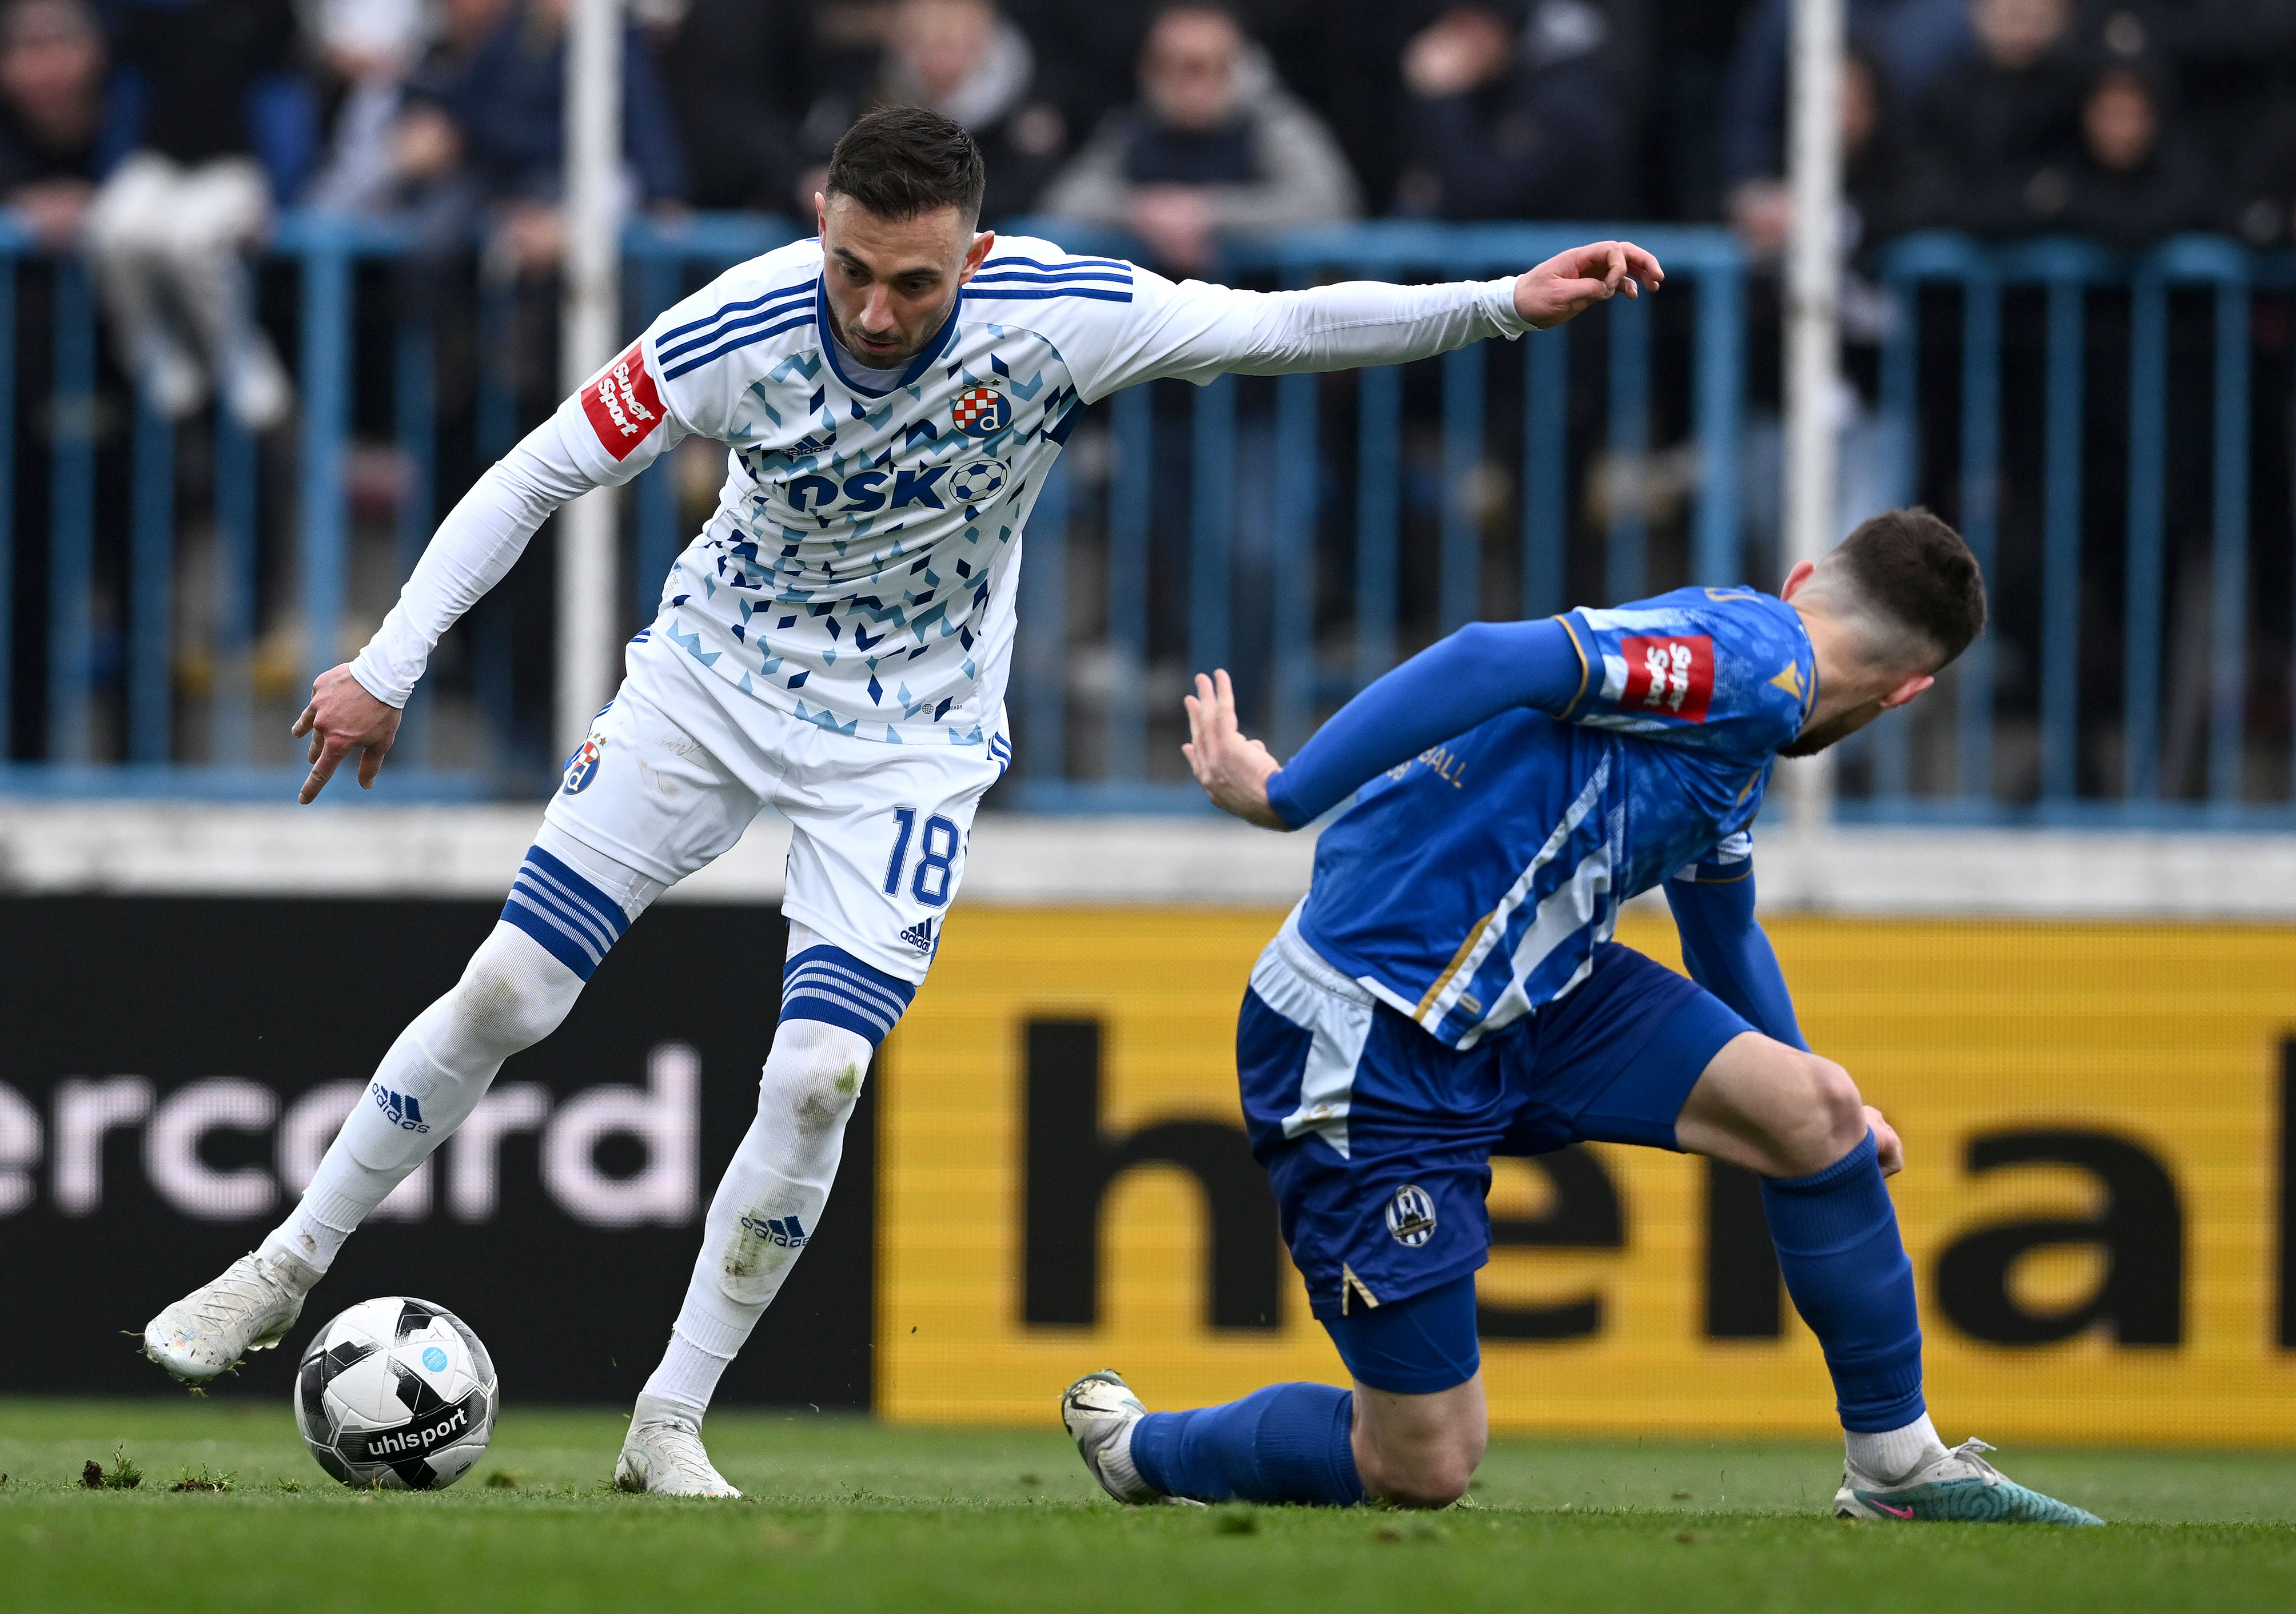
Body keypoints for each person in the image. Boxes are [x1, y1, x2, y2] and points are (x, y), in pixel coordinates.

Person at [138, 102, 1664, 1497]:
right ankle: (286, 1262)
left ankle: (669, 1417)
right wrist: (388, 661)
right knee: (511, 985)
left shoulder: (1060, 316)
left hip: (910, 742)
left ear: (974, 258)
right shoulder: (732, 327)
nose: (876, 312)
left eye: (914, 284)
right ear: (821, 224)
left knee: (818, 1076)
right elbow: (537, 472)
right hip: (710, 684)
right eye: (854, 271)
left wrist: (1500, 303)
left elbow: (1283, 325)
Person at [1059, 509, 2104, 1526]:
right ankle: (1142, 1448)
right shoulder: (1750, 666)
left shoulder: (1744, 714)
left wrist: (1833, 1114)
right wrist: (1288, 793)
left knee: (1814, 1108)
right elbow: (1489, 657)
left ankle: (1897, 1465)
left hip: (1538, 997)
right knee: (1422, 1464)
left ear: (1801, 578)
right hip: (1372, 1026)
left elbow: (1723, 929)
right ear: (1910, 690)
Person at [84, 0, 312, 429]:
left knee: (188, 241)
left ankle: (242, 361)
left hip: (235, 165)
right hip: (157, 163)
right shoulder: (144, 16)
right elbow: (127, 104)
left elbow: (282, 104)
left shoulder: (264, 15)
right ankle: (154, 356)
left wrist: (279, 198)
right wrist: (107, 176)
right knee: (111, 232)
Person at [1039, 2, 1357, 276]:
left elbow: (1328, 203)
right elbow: (1066, 202)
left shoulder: (1271, 125)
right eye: (1173, 66)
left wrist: (1209, 213)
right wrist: (1143, 211)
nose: (1189, 85)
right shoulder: (1131, 129)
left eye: (1203, 67)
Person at [1394, 1, 1633, 221]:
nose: (1448, 41)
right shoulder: (1485, 92)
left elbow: (1480, 201)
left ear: (1503, 26)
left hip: (1566, 249)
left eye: (1465, 24)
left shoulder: (1564, 100)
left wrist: (1442, 97)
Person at [877, 0, 1069, 223]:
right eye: (922, 37)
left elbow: (1031, 185)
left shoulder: (1036, 95)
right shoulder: (878, 89)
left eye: (949, 43)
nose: (937, 54)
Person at [0, 0, 106, 251]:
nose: (46, 67)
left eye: (61, 41)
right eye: (28, 46)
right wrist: (20, 205)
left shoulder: (134, 105)